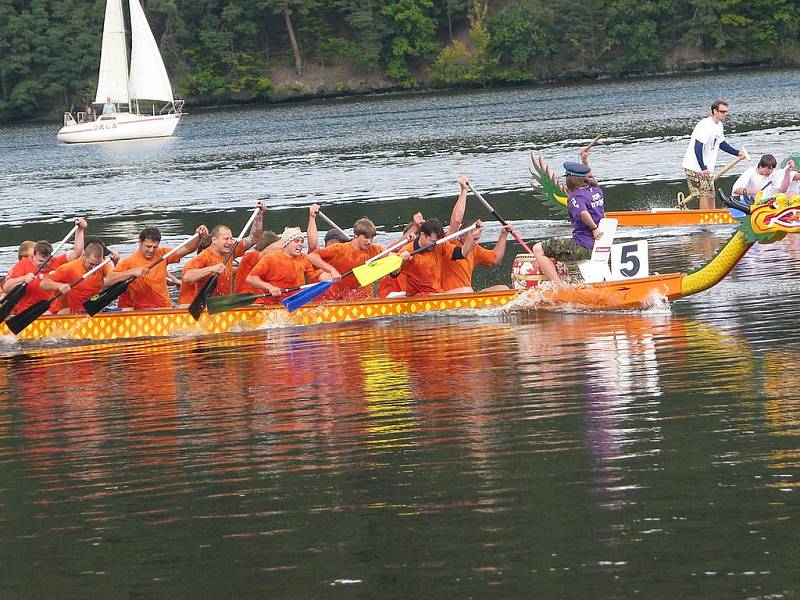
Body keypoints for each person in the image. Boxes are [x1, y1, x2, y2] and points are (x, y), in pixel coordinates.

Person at [532, 152, 604, 282]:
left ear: (570, 179)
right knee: (558, 244)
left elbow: (583, 214)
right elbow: (589, 176)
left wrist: (594, 228)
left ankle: (557, 285)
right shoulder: (596, 190)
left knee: (538, 249)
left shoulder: (577, 197)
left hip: (583, 247)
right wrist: (584, 160)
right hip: (600, 245)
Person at [177, 205, 266, 306]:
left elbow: (254, 238)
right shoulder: (204, 256)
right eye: (226, 239)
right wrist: (212, 269)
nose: (229, 242)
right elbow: (187, 277)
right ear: (214, 240)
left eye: (231, 238)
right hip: (205, 306)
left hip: (223, 303)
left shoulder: (231, 250)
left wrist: (258, 216)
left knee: (254, 304)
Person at [106, 225, 207, 310]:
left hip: (165, 308)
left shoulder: (163, 253)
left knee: (193, 307)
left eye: (155, 247)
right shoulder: (128, 262)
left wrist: (199, 236)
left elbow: (188, 248)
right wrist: (132, 272)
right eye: (148, 246)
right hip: (143, 311)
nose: (151, 250)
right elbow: (109, 280)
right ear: (140, 243)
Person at [440, 175, 511, 293]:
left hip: (467, 293)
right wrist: (463, 191)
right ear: (462, 235)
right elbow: (456, 221)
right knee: (467, 290)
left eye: (477, 238)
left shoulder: (475, 249)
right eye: (473, 238)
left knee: (503, 289)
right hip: (447, 295)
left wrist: (503, 235)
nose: (476, 242)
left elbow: (496, 258)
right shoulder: (449, 243)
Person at [2, 218, 88, 314]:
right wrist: (23, 278)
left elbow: (77, 253)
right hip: (27, 314)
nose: (45, 264)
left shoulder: (55, 261)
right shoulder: (23, 264)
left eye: (47, 261)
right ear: (33, 255)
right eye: (41, 261)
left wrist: (80, 230)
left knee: (72, 310)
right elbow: (6, 288)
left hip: (51, 312)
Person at [245, 227, 341, 304]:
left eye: (302, 241)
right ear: (287, 243)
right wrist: (270, 287)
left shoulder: (303, 258)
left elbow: (318, 275)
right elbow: (251, 278)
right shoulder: (270, 258)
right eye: (296, 241)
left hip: (295, 303)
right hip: (273, 304)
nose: (300, 244)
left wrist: (332, 276)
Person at [682, 100, 745, 209]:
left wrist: (737, 153)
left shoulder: (719, 125)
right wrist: (703, 168)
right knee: (704, 193)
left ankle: (713, 216)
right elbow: (697, 147)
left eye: (726, 112)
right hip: (695, 166)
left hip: (706, 168)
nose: (725, 114)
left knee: (711, 194)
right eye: (722, 112)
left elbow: (722, 144)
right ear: (715, 111)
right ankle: (705, 218)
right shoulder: (705, 125)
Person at [397, 218, 480, 297]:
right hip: (417, 296)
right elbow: (393, 274)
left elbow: (462, 253)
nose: (435, 245)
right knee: (466, 291)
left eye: (437, 242)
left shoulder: (439, 245)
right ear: (423, 235)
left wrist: (472, 236)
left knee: (467, 290)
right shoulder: (407, 250)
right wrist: (401, 260)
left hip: (437, 293)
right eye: (432, 242)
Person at [310, 217, 386, 300]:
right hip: (340, 299)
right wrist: (331, 270)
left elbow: (391, 255)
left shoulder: (374, 249)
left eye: (371, 238)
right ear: (355, 235)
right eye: (366, 237)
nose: (369, 242)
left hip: (364, 299)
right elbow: (312, 256)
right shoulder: (339, 249)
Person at [41, 243, 111, 314]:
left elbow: (113, 280)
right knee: (63, 312)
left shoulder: (103, 265)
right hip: (72, 312)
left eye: (97, 265)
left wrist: (115, 262)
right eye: (91, 264)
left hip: (94, 309)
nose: (94, 268)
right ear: (84, 256)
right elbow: (43, 284)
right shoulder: (69, 268)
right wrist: (59, 286)